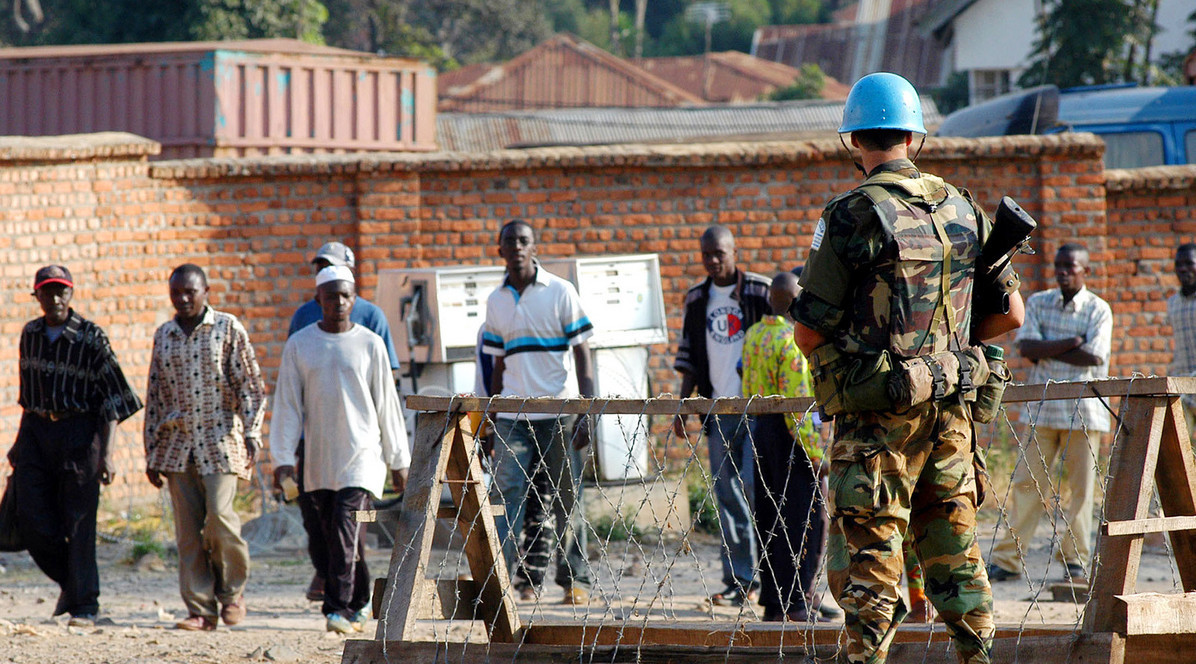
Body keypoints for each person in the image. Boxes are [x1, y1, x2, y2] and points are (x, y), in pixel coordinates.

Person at [791, 72, 1025, 664]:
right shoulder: (965, 208)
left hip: (876, 428)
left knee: (872, 582)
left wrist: (863, 369)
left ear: (855, 141)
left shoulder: (849, 214)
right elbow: (1010, 316)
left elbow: (807, 329)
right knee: (958, 568)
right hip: (952, 416)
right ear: (914, 138)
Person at [270, 266, 411, 634]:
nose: (339, 302)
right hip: (317, 462)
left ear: (354, 298)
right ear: (318, 299)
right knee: (325, 541)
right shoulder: (300, 344)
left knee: (347, 530)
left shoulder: (370, 344)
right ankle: (362, 600)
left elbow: (387, 404)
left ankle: (339, 609)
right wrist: (282, 459)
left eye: (346, 295)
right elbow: (287, 405)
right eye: (331, 295)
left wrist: (399, 461)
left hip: (361, 459)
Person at [9, 265, 143, 626]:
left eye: (61, 291)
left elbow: (115, 399)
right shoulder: (31, 334)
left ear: (71, 294)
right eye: (47, 292)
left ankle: (85, 604)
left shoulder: (90, 338)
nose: (55, 299)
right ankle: (74, 583)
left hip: (80, 435)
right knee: (31, 519)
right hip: (37, 432)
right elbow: (27, 399)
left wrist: (108, 455)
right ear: (36, 295)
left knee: (79, 523)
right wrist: (19, 446)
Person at [144, 264, 266, 631]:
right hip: (178, 447)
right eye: (176, 293)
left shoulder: (228, 329)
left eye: (190, 292)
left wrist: (252, 433)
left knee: (220, 519)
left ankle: (231, 594)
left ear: (206, 291)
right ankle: (200, 610)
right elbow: (155, 395)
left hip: (221, 442)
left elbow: (251, 385)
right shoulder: (164, 335)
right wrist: (151, 452)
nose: (183, 299)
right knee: (187, 533)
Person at [482, 219, 596, 605]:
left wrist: (587, 412)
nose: (516, 246)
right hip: (512, 416)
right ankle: (496, 580)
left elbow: (583, 354)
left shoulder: (560, 292)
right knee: (505, 495)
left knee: (568, 498)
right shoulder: (496, 301)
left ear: (534, 247)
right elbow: (497, 366)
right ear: (499, 250)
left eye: (524, 240)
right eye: (509, 241)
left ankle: (575, 581)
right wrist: (490, 416)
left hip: (559, 412)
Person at [989, 243, 1112, 585]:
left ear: (1085, 271)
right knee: (1027, 485)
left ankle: (1074, 560)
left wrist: (1049, 349)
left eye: (1071, 267)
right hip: (1042, 409)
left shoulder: (1098, 309)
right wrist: (1073, 341)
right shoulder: (1040, 302)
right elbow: (1026, 348)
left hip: (1083, 413)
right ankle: (1008, 560)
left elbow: (1095, 357)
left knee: (1082, 492)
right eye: (1059, 266)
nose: (1063, 272)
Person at [673, 225, 771, 605]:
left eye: (720, 253)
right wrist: (684, 407)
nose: (714, 261)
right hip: (717, 412)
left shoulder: (760, 293)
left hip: (758, 411)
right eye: (707, 255)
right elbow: (688, 359)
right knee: (727, 496)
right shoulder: (697, 299)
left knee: (755, 488)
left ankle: (776, 576)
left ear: (734, 252)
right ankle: (741, 581)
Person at [740, 271, 827, 623]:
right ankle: (796, 602)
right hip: (791, 439)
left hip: (760, 430)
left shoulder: (753, 335)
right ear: (795, 301)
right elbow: (798, 408)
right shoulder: (793, 341)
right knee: (802, 520)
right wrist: (818, 456)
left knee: (768, 518)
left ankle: (774, 603)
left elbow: (746, 386)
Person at [1168, 243, 1196, 443]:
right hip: (1183, 390)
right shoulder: (1173, 302)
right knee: (1181, 452)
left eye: (1189, 263)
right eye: (1179, 264)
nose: (1183, 269)